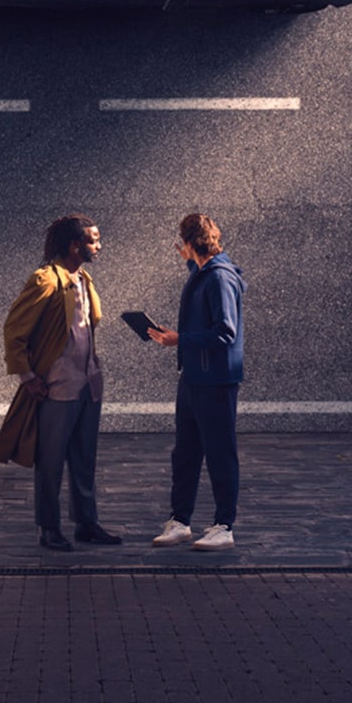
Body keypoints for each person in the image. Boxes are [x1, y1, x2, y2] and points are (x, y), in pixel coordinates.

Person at [1, 214, 122, 551]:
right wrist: (27, 377)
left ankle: (86, 523)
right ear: (75, 245)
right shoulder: (45, 281)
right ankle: (48, 527)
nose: (99, 246)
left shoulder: (83, 278)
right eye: (93, 240)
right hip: (58, 385)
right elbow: (14, 330)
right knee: (51, 461)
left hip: (88, 383)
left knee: (85, 459)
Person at [148, 212, 245, 551]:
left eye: (183, 243)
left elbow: (226, 332)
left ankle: (224, 525)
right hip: (192, 378)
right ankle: (181, 522)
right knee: (185, 454)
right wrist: (190, 264)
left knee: (220, 453)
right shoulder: (203, 273)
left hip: (216, 381)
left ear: (189, 242)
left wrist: (180, 340)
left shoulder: (220, 277)